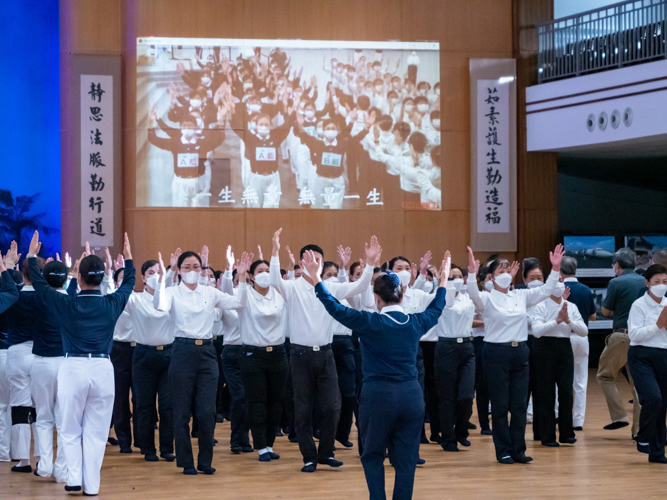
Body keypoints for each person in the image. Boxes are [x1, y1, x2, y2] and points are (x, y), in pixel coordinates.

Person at [307, 249, 450, 500]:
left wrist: (317, 280)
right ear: (403, 294)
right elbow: (437, 308)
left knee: (373, 455)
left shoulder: (369, 322)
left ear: (376, 298)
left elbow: (333, 307)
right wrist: (443, 282)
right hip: (411, 396)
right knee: (406, 460)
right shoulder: (416, 322)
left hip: (378, 397)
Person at [28, 231, 135, 496]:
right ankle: (92, 486)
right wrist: (129, 260)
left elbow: (41, 286)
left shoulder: (66, 304)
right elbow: (128, 283)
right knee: (97, 433)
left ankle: (73, 479)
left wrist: (32, 257)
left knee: (70, 427)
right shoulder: (112, 303)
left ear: (79, 277)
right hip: (102, 368)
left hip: (72, 367)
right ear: (101, 278)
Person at [269, 228, 380, 473]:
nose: (314, 264)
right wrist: (275, 251)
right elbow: (275, 280)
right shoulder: (293, 287)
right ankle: (309, 457)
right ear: (301, 263)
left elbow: (361, 286)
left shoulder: (330, 286)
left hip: (326, 354)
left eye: (318, 260)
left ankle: (326, 453)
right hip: (299, 355)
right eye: (309, 260)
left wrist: (370, 263)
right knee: (303, 408)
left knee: (333, 406)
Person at [466, 244, 564, 464]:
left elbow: (546, 290)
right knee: (500, 406)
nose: (504, 274)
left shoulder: (520, 296)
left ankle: (519, 449)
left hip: (519, 351)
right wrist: (472, 272)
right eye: (499, 272)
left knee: (519, 405)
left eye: (506, 270)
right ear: (490, 278)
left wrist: (555, 268)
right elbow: (472, 293)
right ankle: (504, 450)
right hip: (495, 352)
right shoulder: (487, 297)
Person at [153, 246, 239, 475]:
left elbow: (235, 302)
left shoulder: (209, 292)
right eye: (187, 267)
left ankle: (205, 461)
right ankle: (186, 461)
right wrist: (163, 279)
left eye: (196, 267)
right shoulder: (172, 292)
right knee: (181, 411)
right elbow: (159, 306)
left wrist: (230, 271)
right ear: (179, 270)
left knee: (206, 411)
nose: (192, 271)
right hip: (182, 351)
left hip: (208, 353)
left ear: (202, 269)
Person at [234, 254, 288, 461]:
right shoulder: (245, 294)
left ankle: (269, 444)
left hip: (278, 354)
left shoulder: (280, 294)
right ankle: (260, 446)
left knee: (276, 402)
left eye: (267, 271)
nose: (264, 275)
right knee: (257, 402)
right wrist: (239, 278)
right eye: (259, 271)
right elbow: (236, 301)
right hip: (252, 355)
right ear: (251, 276)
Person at [124, 259, 176, 462]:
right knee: (144, 405)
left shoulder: (170, 298)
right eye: (151, 272)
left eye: (159, 272)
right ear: (144, 278)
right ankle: (147, 448)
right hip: (143, 355)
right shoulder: (135, 299)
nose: (156, 275)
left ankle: (166, 448)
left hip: (168, 355)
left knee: (167, 405)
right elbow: (114, 294)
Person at [532, 280, 588, 447]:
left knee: (566, 391)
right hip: (544, 348)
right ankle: (547, 435)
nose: (559, 285)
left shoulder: (570, 306)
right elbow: (536, 331)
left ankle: (566, 433)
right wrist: (556, 321)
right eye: (555, 281)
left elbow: (584, 331)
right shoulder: (540, 306)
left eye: (561, 281)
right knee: (546, 392)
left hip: (564, 346)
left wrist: (568, 321)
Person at [27, 259, 69, 481]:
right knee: (64, 420)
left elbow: (35, 281)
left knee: (43, 418)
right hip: (66, 363)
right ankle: (61, 471)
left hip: (42, 362)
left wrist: (32, 258)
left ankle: (44, 466)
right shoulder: (71, 299)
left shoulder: (38, 298)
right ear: (66, 278)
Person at [597, 248, 645, 434]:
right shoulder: (644, 281)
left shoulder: (616, 282)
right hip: (641, 338)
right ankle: (639, 431)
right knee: (638, 386)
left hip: (621, 336)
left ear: (616, 265)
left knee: (604, 375)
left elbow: (606, 312)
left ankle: (619, 416)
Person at [432, 264, 476, 452]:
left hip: (466, 346)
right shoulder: (440, 295)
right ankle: (448, 438)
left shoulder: (469, 297)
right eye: (452, 276)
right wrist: (443, 280)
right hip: (446, 346)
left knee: (466, 395)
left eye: (458, 276)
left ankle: (461, 432)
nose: (456, 279)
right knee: (447, 397)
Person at [627, 264, 667, 463]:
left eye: (665, 282)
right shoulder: (639, 305)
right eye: (657, 282)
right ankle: (643, 438)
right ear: (647, 283)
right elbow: (635, 335)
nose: (661, 285)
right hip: (641, 356)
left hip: (664, 355)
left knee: (663, 405)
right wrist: (658, 325)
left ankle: (657, 452)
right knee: (653, 398)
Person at [560, 256, 597, 430]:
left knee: (559, 380)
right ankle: (578, 421)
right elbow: (593, 316)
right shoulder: (585, 290)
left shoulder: (559, 289)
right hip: (582, 338)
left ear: (559, 271)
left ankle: (558, 416)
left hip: (563, 338)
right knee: (580, 381)